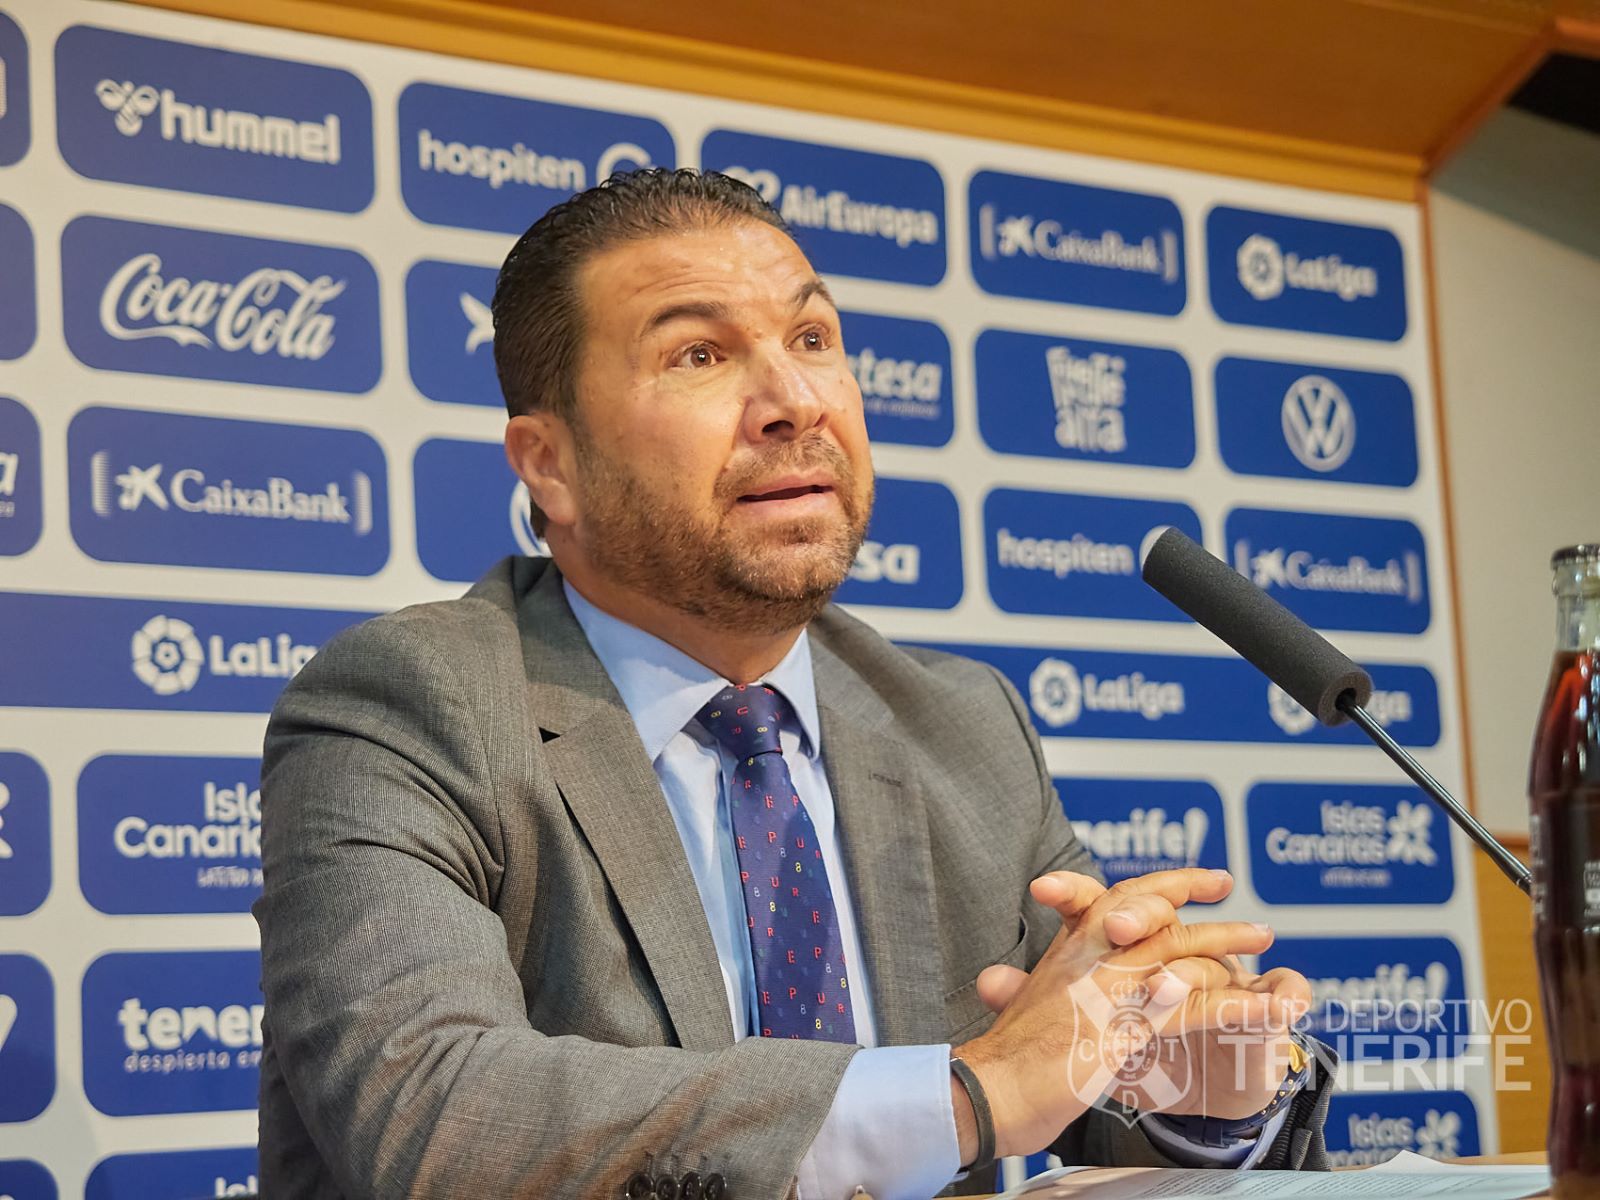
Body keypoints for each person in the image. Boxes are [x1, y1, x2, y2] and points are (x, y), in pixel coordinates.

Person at [254, 168, 1332, 1200]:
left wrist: (1199, 1089)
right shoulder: (408, 705)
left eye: (813, 340)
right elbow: (435, 1114)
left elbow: (1082, 1088)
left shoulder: (962, 725)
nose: (794, 401)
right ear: (550, 466)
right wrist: (971, 1091)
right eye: (697, 357)